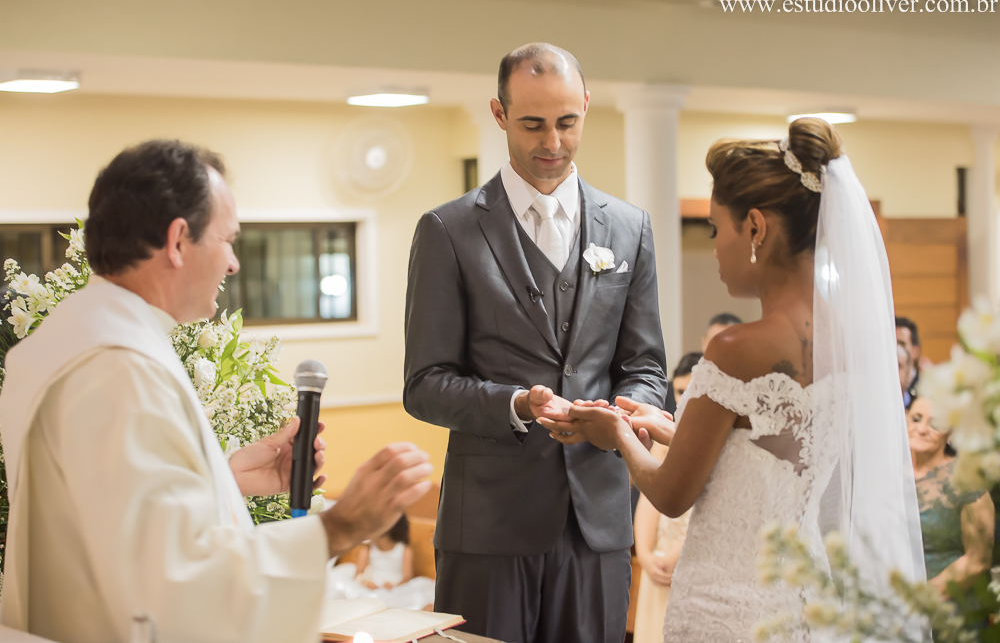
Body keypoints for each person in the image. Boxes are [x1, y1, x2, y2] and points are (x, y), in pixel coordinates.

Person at [0, 140, 433, 643]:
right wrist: (338, 526)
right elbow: (176, 585)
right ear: (178, 240)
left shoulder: (69, 339)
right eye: (227, 240)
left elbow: (111, 515)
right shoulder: (119, 369)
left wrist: (226, 478)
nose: (233, 264)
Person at [541, 118, 927, 641]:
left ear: (755, 228)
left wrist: (618, 435)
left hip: (728, 602)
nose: (716, 246)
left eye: (715, 229)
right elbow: (771, 459)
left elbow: (671, 494)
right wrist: (663, 425)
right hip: (805, 601)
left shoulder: (736, 348)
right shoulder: (851, 341)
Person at [403, 42, 668, 643]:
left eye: (567, 122)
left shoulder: (629, 228)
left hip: (599, 520)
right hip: (489, 527)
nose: (552, 142)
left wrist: (620, 416)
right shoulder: (448, 231)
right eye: (532, 124)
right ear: (499, 114)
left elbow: (648, 368)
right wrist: (516, 405)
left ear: (586, 108)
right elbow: (424, 384)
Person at [632, 352, 699, 643]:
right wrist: (646, 555)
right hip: (658, 561)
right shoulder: (664, 439)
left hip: (693, 558)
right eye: (680, 391)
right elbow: (648, 498)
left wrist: (679, 554)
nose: (684, 398)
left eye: (692, 391)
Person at [907, 397, 994, 598]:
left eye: (935, 424)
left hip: (949, 605)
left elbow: (977, 560)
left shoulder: (966, 479)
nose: (922, 429)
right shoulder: (889, 473)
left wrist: (920, 601)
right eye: (916, 419)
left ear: (951, 432)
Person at [326, 514, 436, 610]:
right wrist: (365, 582)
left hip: (395, 585)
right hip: (373, 582)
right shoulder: (368, 547)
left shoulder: (403, 549)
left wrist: (394, 585)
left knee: (406, 597)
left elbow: (407, 576)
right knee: (346, 589)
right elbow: (359, 571)